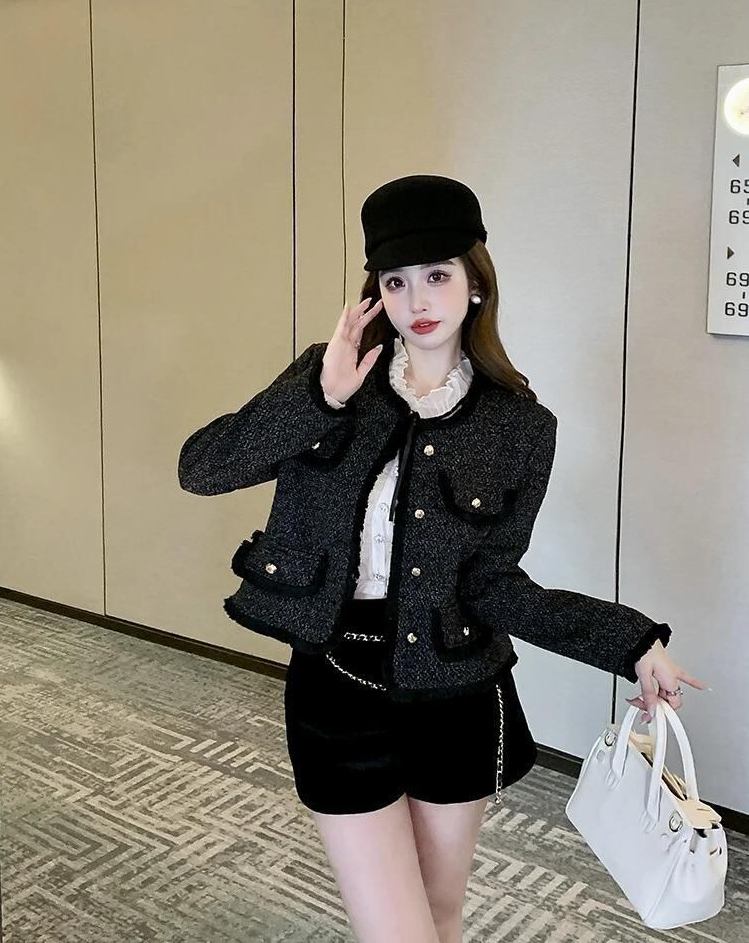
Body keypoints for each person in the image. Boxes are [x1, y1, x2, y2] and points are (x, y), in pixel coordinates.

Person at [179, 171, 701, 943]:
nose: (416, 299)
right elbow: (203, 469)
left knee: (441, 915)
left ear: (474, 282)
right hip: (337, 689)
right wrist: (319, 397)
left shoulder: (520, 426)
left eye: (436, 275)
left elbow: (494, 582)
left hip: (456, 696)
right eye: (395, 280)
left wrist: (628, 641)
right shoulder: (331, 375)